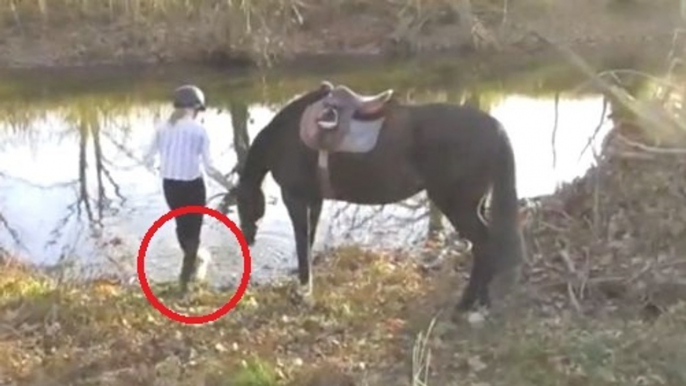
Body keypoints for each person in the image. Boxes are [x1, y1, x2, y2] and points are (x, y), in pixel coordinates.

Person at [143, 84, 225, 293]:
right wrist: (231, 186)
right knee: (194, 231)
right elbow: (210, 167)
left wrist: (160, 168)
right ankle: (186, 281)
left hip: (170, 186)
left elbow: (146, 158)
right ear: (195, 108)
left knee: (181, 226)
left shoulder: (161, 128)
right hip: (192, 186)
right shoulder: (199, 131)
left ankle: (191, 262)